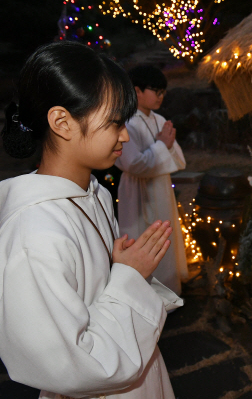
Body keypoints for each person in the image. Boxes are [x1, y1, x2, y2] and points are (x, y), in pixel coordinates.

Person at [0, 42, 182, 398]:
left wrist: (118, 269)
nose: (125, 136)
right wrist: (129, 276)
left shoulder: (93, 192)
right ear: (62, 122)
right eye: (115, 124)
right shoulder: (33, 235)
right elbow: (74, 363)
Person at [116, 65, 188, 295]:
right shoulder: (126, 122)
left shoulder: (159, 119)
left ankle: (168, 290)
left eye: (163, 92)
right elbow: (133, 164)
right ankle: (143, 296)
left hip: (161, 189)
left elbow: (179, 161)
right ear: (137, 91)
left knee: (164, 238)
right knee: (141, 238)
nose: (160, 96)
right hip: (137, 192)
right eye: (155, 91)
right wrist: (161, 146)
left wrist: (165, 146)